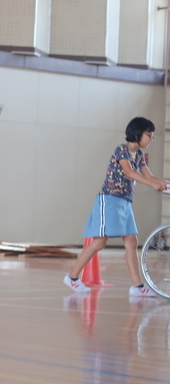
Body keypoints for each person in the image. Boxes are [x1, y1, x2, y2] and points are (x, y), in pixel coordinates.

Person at [64, 117, 168, 297]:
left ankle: (137, 286)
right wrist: (152, 185)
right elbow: (129, 173)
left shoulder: (139, 155)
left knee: (131, 242)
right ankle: (72, 278)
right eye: (149, 135)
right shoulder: (121, 150)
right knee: (99, 242)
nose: (151, 139)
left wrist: (165, 184)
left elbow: (150, 177)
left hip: (125, 202)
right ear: (137, 133)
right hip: (110, 200)